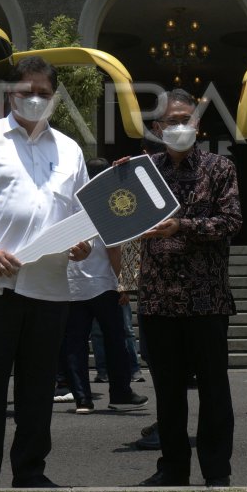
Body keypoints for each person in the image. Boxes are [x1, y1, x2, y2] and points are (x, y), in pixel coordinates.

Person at [0, 56, 92, 489]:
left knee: (37, 389)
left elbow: (81, 213)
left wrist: (82, 245)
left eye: (43, 93)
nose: (34, 99)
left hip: (48, 289)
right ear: (10, 93)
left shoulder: (70, 149)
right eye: (27, 91)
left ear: (55, 97)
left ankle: (30, 472)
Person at [137, 89, 241, 487]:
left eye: (186, 119)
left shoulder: (220, 168)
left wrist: (185, 226)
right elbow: (116, 213)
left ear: (197, 124)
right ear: (157, 127)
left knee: (214, 392)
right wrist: (116, 181)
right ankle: (173, 468)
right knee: (168, 393)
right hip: (158, 299)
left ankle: (217, 471)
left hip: (206, 298)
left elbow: (231, 223)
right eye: (171, 121)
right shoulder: (144, 170)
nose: (179, 127)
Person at [61, 156, 148, 415]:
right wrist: (124, 283)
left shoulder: (66, 204)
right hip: (102, 283)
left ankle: (82, 399)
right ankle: (120, 393)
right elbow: (113, 248)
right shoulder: (103, 203)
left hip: (71, 286)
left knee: (74, 343)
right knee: (116, 340)